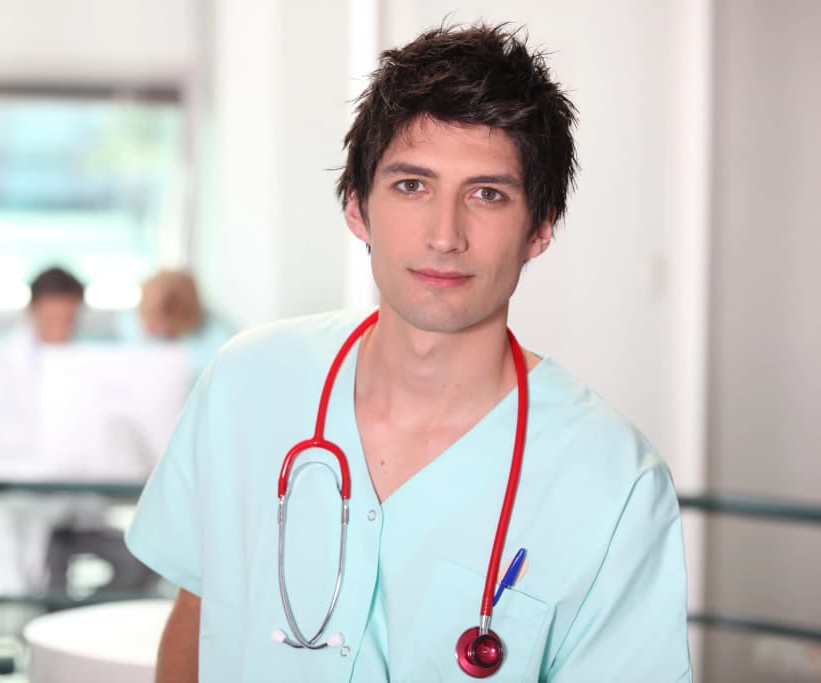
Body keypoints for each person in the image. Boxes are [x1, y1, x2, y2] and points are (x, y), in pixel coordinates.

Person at [126, 23, 691, 682]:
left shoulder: (613, 482)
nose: (444, 235)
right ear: (356, 206)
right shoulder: (246, 385)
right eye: (411, 185)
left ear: (540, 227)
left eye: (488, 194)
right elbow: (198, 619)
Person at [0, 266, 87, 595]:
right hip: (11, 499)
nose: (60, 330)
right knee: (18, 588)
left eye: (68, 320)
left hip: (64, 502)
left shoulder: (81, 368)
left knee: (50, 590)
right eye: (52, 319)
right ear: (32, 312)